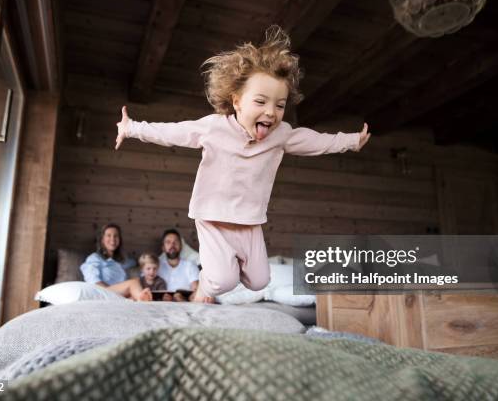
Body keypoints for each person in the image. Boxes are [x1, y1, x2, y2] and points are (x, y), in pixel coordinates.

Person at [115, 26, 371, 303]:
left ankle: (227, 269)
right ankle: (207, 281)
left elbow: (314, 141)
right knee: (223, 282)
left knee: (260, 281)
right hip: (213, 217)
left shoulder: (281, 134)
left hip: (249, 223)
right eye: (260, 101)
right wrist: (132, 128)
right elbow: (172, 132)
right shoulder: (214, 128)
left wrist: (350, 141)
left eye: (280, 105)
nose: (271, 112)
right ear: (237, 101)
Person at [80, 223, 152, 301]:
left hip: (119, 294)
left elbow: (135, 262)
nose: (113, 239)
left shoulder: (122, 261)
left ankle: (141, 300)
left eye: (116, 236)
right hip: (103, 292)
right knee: (133, 283)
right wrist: (112, 293)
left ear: (119, 240)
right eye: (109, 235)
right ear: (102, 240)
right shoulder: (95, 258)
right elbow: (93, 280)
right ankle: (142, 300)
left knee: (136, 286)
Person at [157, 229, 200, 301]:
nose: (172, 245)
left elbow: (196, 289)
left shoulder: (190, 265)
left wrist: (185, 298)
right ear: (163, 248)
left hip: (185, 302)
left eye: (175, 242)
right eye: (168, 242)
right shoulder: (156, 266)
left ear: (181, 246)